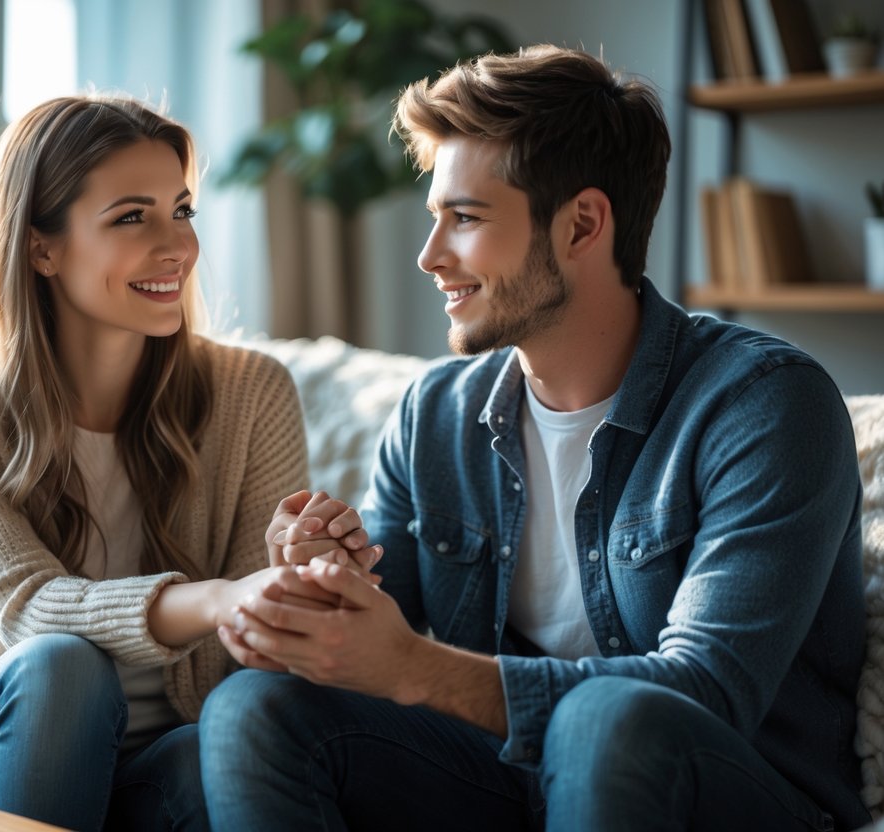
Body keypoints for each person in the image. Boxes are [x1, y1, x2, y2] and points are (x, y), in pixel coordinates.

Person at [198, 45, 870, 831]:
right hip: (507, 776)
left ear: (581, 224)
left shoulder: (763, 405)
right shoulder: (436, 414)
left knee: (605, 719)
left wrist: (414, 668)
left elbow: (707, 691)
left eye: (466, 218)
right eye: (434, 218)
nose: (430, 256)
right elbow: (386, 614)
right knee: (258, 705)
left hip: (726, 787)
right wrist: (328, 586)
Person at [0, 94, 377, 831]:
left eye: (180, 211)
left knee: (219, 753)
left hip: (159, 756)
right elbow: (29, 611)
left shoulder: (252, 392)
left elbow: (264, 637)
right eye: (132, 217)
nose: (177, 247)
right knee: (64, 665)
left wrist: (303, 568)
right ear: (42, 248)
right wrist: (219, 596)